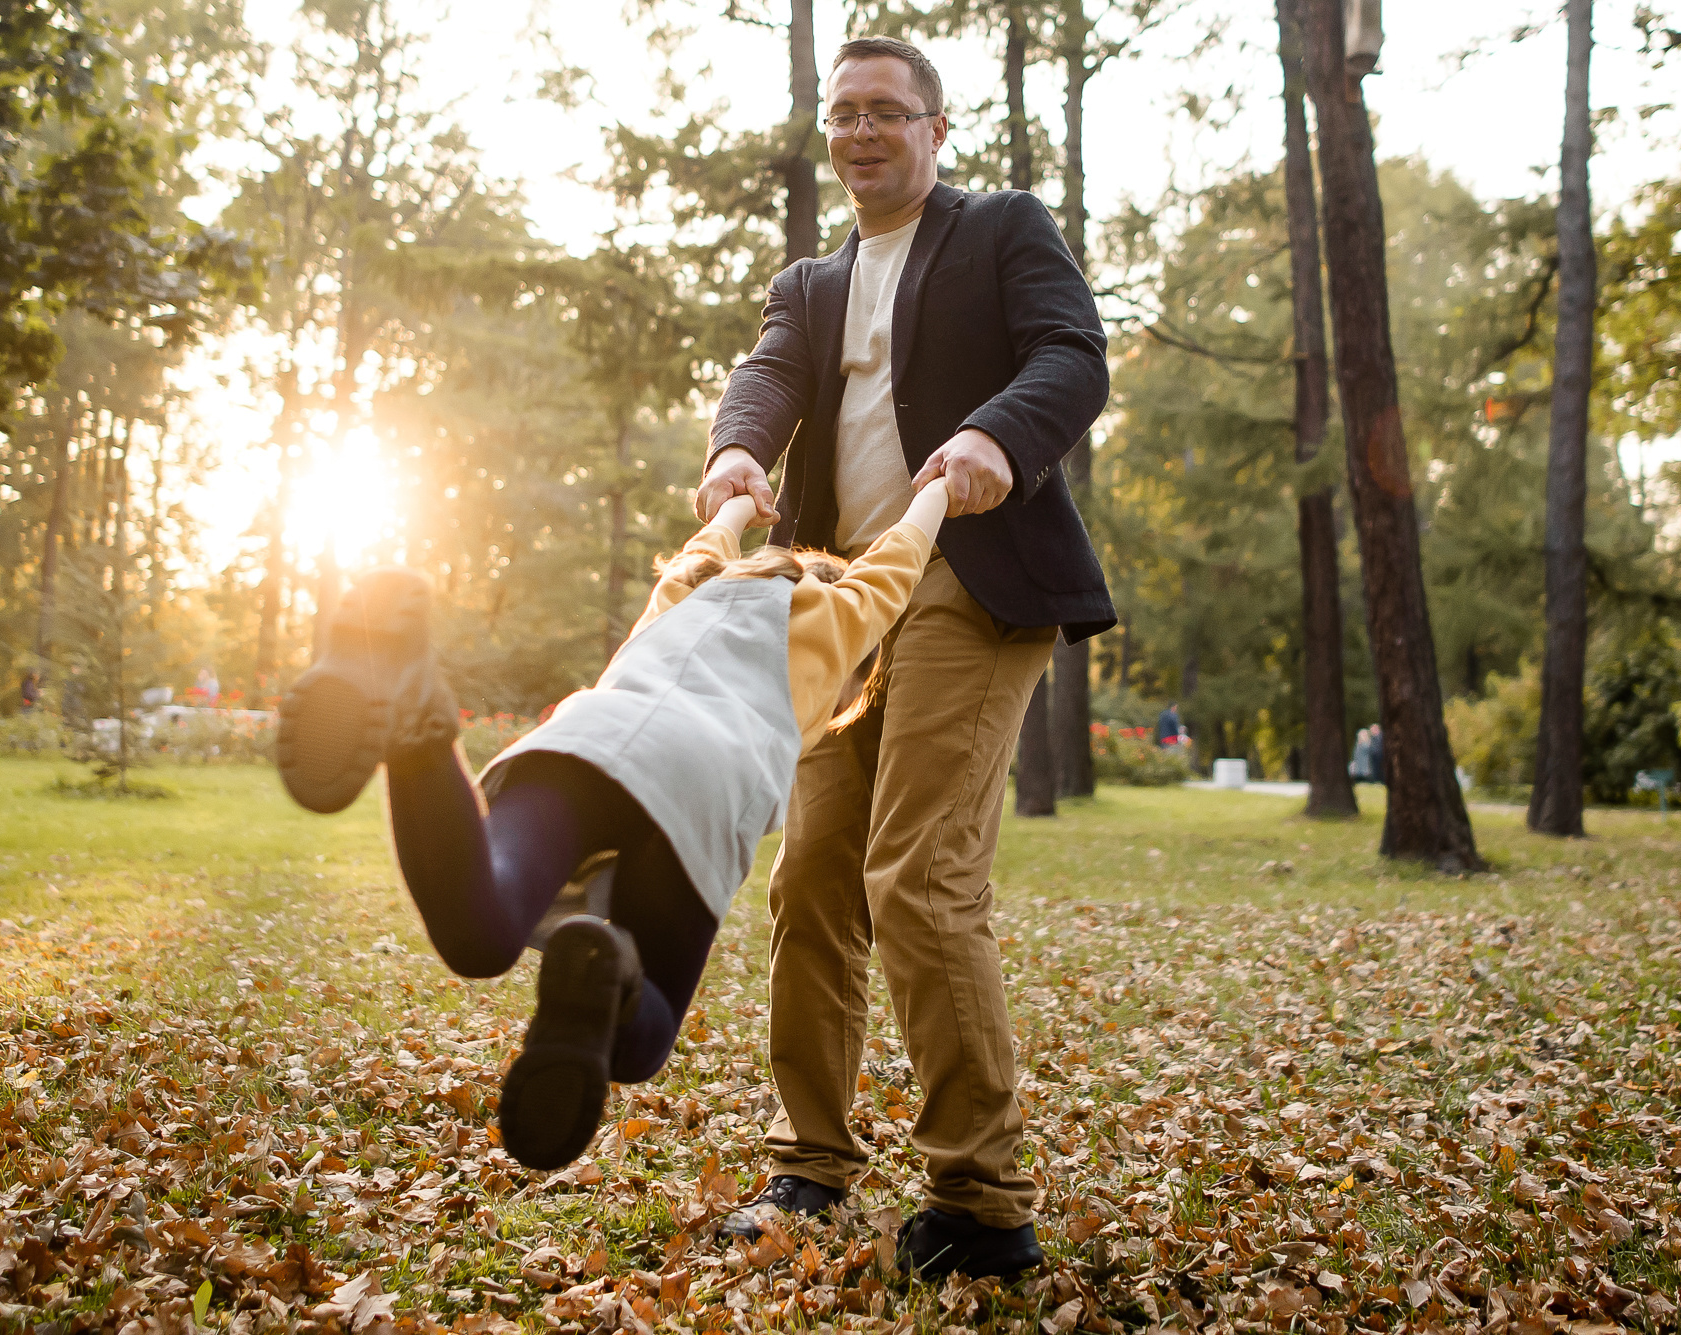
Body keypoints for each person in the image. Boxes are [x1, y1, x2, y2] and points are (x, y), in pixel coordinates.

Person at [696, 35, 1114, 1280]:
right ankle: (808, 1171)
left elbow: (1071, 356)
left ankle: (982, 1204)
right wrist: (735, 453)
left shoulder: (998, 230)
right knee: (813, 877)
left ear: (936, 129)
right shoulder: (810, 284)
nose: (863, 131)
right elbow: (768, 378)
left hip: (967, 578)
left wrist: (997, 436)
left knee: (915, 873)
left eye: (888, 111)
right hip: (840, 601)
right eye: (843, 114)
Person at [273, 479, 954, 1172]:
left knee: (480, 930)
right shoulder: (838, 618)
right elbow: (896, 563)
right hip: (703, 774)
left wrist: (743, 505)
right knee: (639, 1037)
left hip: (588, 739)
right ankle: (614, 973)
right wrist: (939, 493)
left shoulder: (692, 586)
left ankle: (418, 733)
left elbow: (712, 539)